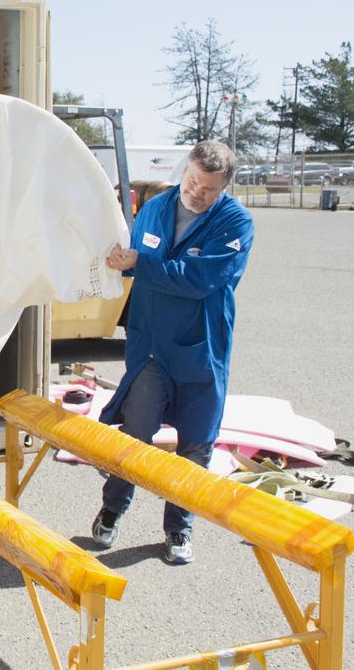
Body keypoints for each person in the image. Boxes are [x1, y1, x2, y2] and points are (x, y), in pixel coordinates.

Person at [91, 140, 253, 565]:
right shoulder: (157, 208)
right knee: (135, 437)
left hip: (200, 349)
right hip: (150, 348)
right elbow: (133, 257)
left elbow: (198, 280)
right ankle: (111, 511)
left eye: (208, 189)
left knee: (196, 446)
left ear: (225, 188)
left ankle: (179, 528)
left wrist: (139, 265)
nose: (196, 193)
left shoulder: (235, 222)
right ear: (186, 170)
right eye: (193, 181)